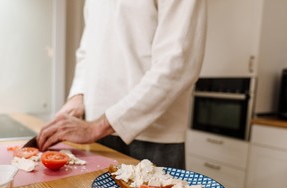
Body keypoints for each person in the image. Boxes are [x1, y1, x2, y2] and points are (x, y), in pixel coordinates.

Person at [37, 0, 207, 169]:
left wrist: (96, 127)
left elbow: (177, 64)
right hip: (95, 134)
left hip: (152, 139)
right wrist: (78, 94)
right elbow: (87, 49)